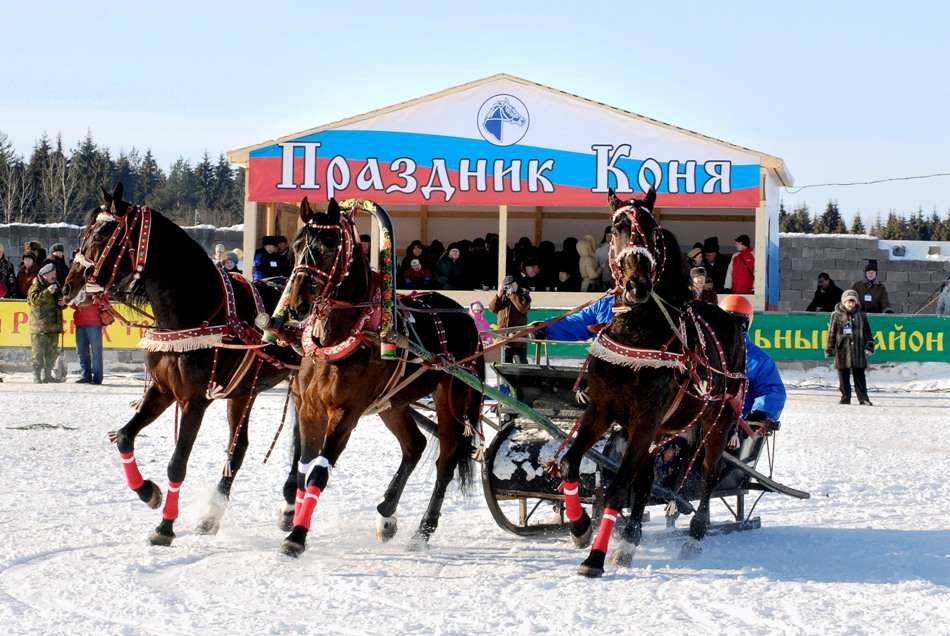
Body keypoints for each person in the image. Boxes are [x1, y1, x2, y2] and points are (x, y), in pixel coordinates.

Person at [825, 289, 876, 405]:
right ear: (844, 302)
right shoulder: (836, 315)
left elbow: (867, 331)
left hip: (858, 350)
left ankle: (863, 398)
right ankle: (845, 397)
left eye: (853, 302)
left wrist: (869, 345)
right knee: (843, 376)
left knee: (859, 376)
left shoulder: (861, 314)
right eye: (848, 302)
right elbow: (831, 332)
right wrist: (830, 348)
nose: (851, 304)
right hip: (842, 350)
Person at [27, 263, 65, 384]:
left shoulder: (56, 285)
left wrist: (63, 303)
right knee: (38, 352)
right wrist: (48, 292)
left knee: (51, 353)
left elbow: (60, 300)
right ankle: (37, 375)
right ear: (45, 275)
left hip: (53, 326)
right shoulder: (35, 286)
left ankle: (47, 374)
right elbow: (34, 301)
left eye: (55, 273)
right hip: (40, 327)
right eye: (52, 274)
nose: (54, 276)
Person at [489, 275, 532, 363]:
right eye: (507, 286)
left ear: (515, 284)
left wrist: (513, 294)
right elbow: (492, 309)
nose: (508, 288)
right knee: (505, 365)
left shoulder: (524, 295)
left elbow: (522, 308)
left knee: (521, 364)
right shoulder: (502, 297)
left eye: (511, 285)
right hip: (503, 338)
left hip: (518, 338)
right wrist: (498, 295)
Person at [71, 298, 104, 384]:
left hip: (94, 323)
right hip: (80, 323)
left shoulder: (98, 288)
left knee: (96, 352)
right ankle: (85, 376)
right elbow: (73, 305)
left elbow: (104, 302)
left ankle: (97, 377)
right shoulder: (79, 289)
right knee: (81, 351)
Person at [595, 225, 613, 291]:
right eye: (607, 236)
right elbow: (595, 265)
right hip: (603, 278)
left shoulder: (620, 250)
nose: (609, 238)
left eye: (611, 236)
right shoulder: (599, 250)